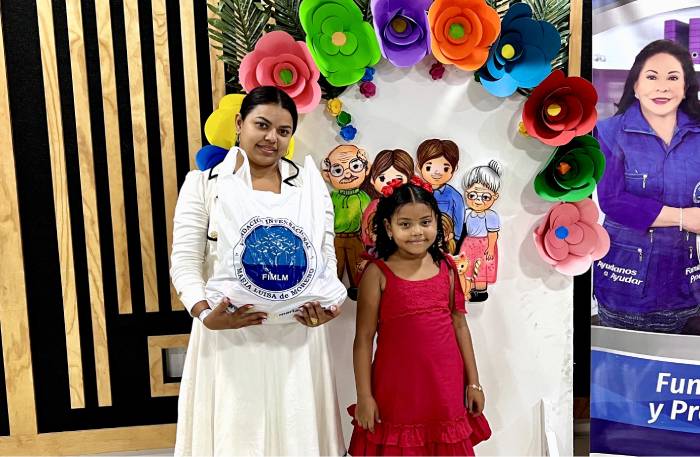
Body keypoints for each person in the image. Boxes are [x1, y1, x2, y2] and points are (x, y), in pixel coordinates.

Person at [170, 86, 348, 455]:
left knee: (296, 433)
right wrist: (204, 314)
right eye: (262, 125)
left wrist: (328, 307)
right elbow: (185, 262)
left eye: (283, 131)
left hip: (297, 337)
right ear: (240, 123)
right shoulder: (203, 185)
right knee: (237, 435)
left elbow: (324, 258)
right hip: (230, 335)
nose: (271, 138)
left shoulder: (310, 188)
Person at [348, 179, 490, 456]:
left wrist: (474, 382)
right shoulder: (376, 274)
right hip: (396, 389)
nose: (417, 232)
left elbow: (460, 325)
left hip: (445, 386)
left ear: (437, 221)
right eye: (405, 224)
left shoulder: (447, 267)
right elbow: (363, 340)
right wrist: (364, 396)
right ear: (388, 227)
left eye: (425, 222)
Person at [593, 40, 700, 335]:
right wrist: (683, 217)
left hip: (690, 287)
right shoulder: (609, 132)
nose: (662, 87)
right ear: (636, 85)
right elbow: (613, 200)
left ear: (686, 87)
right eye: (652, 77)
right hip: (626, 288)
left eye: (673, 78)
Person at [322, 144, 372, 301]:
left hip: (356, 237)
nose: (348, 173)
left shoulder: (363, 197)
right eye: (338, 170)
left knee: (356, 263)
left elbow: (367, 219)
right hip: (335, 237)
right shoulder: (332, 197)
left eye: (355, 166)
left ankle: (357, 288)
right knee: (334, 263)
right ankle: (331, 289)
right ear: (327, 175)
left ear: (366, 168)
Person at [459, 160, 502, 302]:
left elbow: (493, 233)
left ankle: (481, 291)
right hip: (468, 244)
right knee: (468, 267)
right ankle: (469, 289)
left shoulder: (491, 215)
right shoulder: (466, 213)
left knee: (482, 268)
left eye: (485, 197)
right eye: (472, 195)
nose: (478, 201)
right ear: (466, 193)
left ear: (495, 196)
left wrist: (490, 248)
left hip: (484, 245)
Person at [417, 138, 465, 242]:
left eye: (445, 169)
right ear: (419, 167)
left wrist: (455, 236)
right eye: (429, 168)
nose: (437, 173)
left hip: (445, 239)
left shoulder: (454, 196)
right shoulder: (417, 192)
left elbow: (459, 218)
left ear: (454, 169)